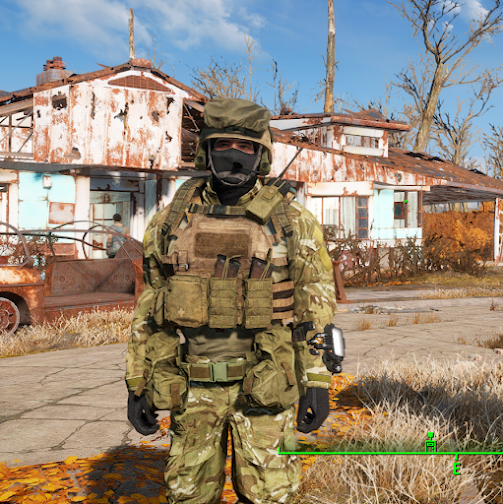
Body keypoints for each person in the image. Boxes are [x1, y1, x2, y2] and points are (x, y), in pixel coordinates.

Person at [126, 98, 338, 503]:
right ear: (206, 150)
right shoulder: (171, 221)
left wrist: (316, 380)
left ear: (261, 154)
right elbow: (151, 310)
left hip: (266, 385)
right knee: (188, 497)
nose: (234, 155)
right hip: (193, 387)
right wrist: (138, 382)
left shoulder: (291, 220)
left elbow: (315, 304)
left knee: (271, 496)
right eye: (223, 144)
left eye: (246, 147)